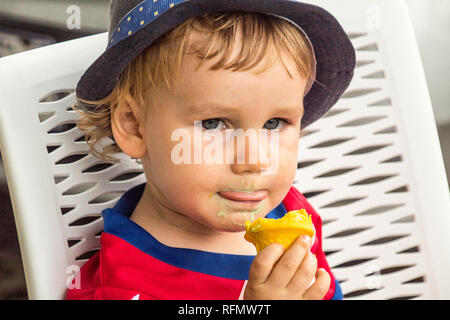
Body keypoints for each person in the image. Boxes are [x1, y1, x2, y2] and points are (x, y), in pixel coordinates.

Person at [66, 0, 355, 300]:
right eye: (214, 123)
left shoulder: (290, 214)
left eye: (273, 123)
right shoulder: (123, 287)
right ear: (134, 125)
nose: (254, 161)